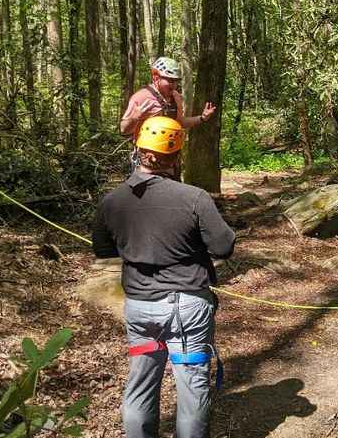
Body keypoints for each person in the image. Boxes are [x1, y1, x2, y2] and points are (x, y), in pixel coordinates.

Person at [92, 116, 236, 438]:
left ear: (138, 147)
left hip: (141, 308)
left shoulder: (112, 202)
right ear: (177, 155)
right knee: (192, 388)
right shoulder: (194, 198)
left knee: (141, 383)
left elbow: (102, 249)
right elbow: (224, 245)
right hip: (187, 310)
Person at [120, 57, 216, 171]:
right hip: (146, 161)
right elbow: (124, 130)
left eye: (176, 81)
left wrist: (202, 118)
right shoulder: (142, 97)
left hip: (170, 158)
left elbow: (180, 122)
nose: (174, 84)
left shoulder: (176, 97)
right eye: (169, 80)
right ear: (156, 78)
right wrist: (135, 118)